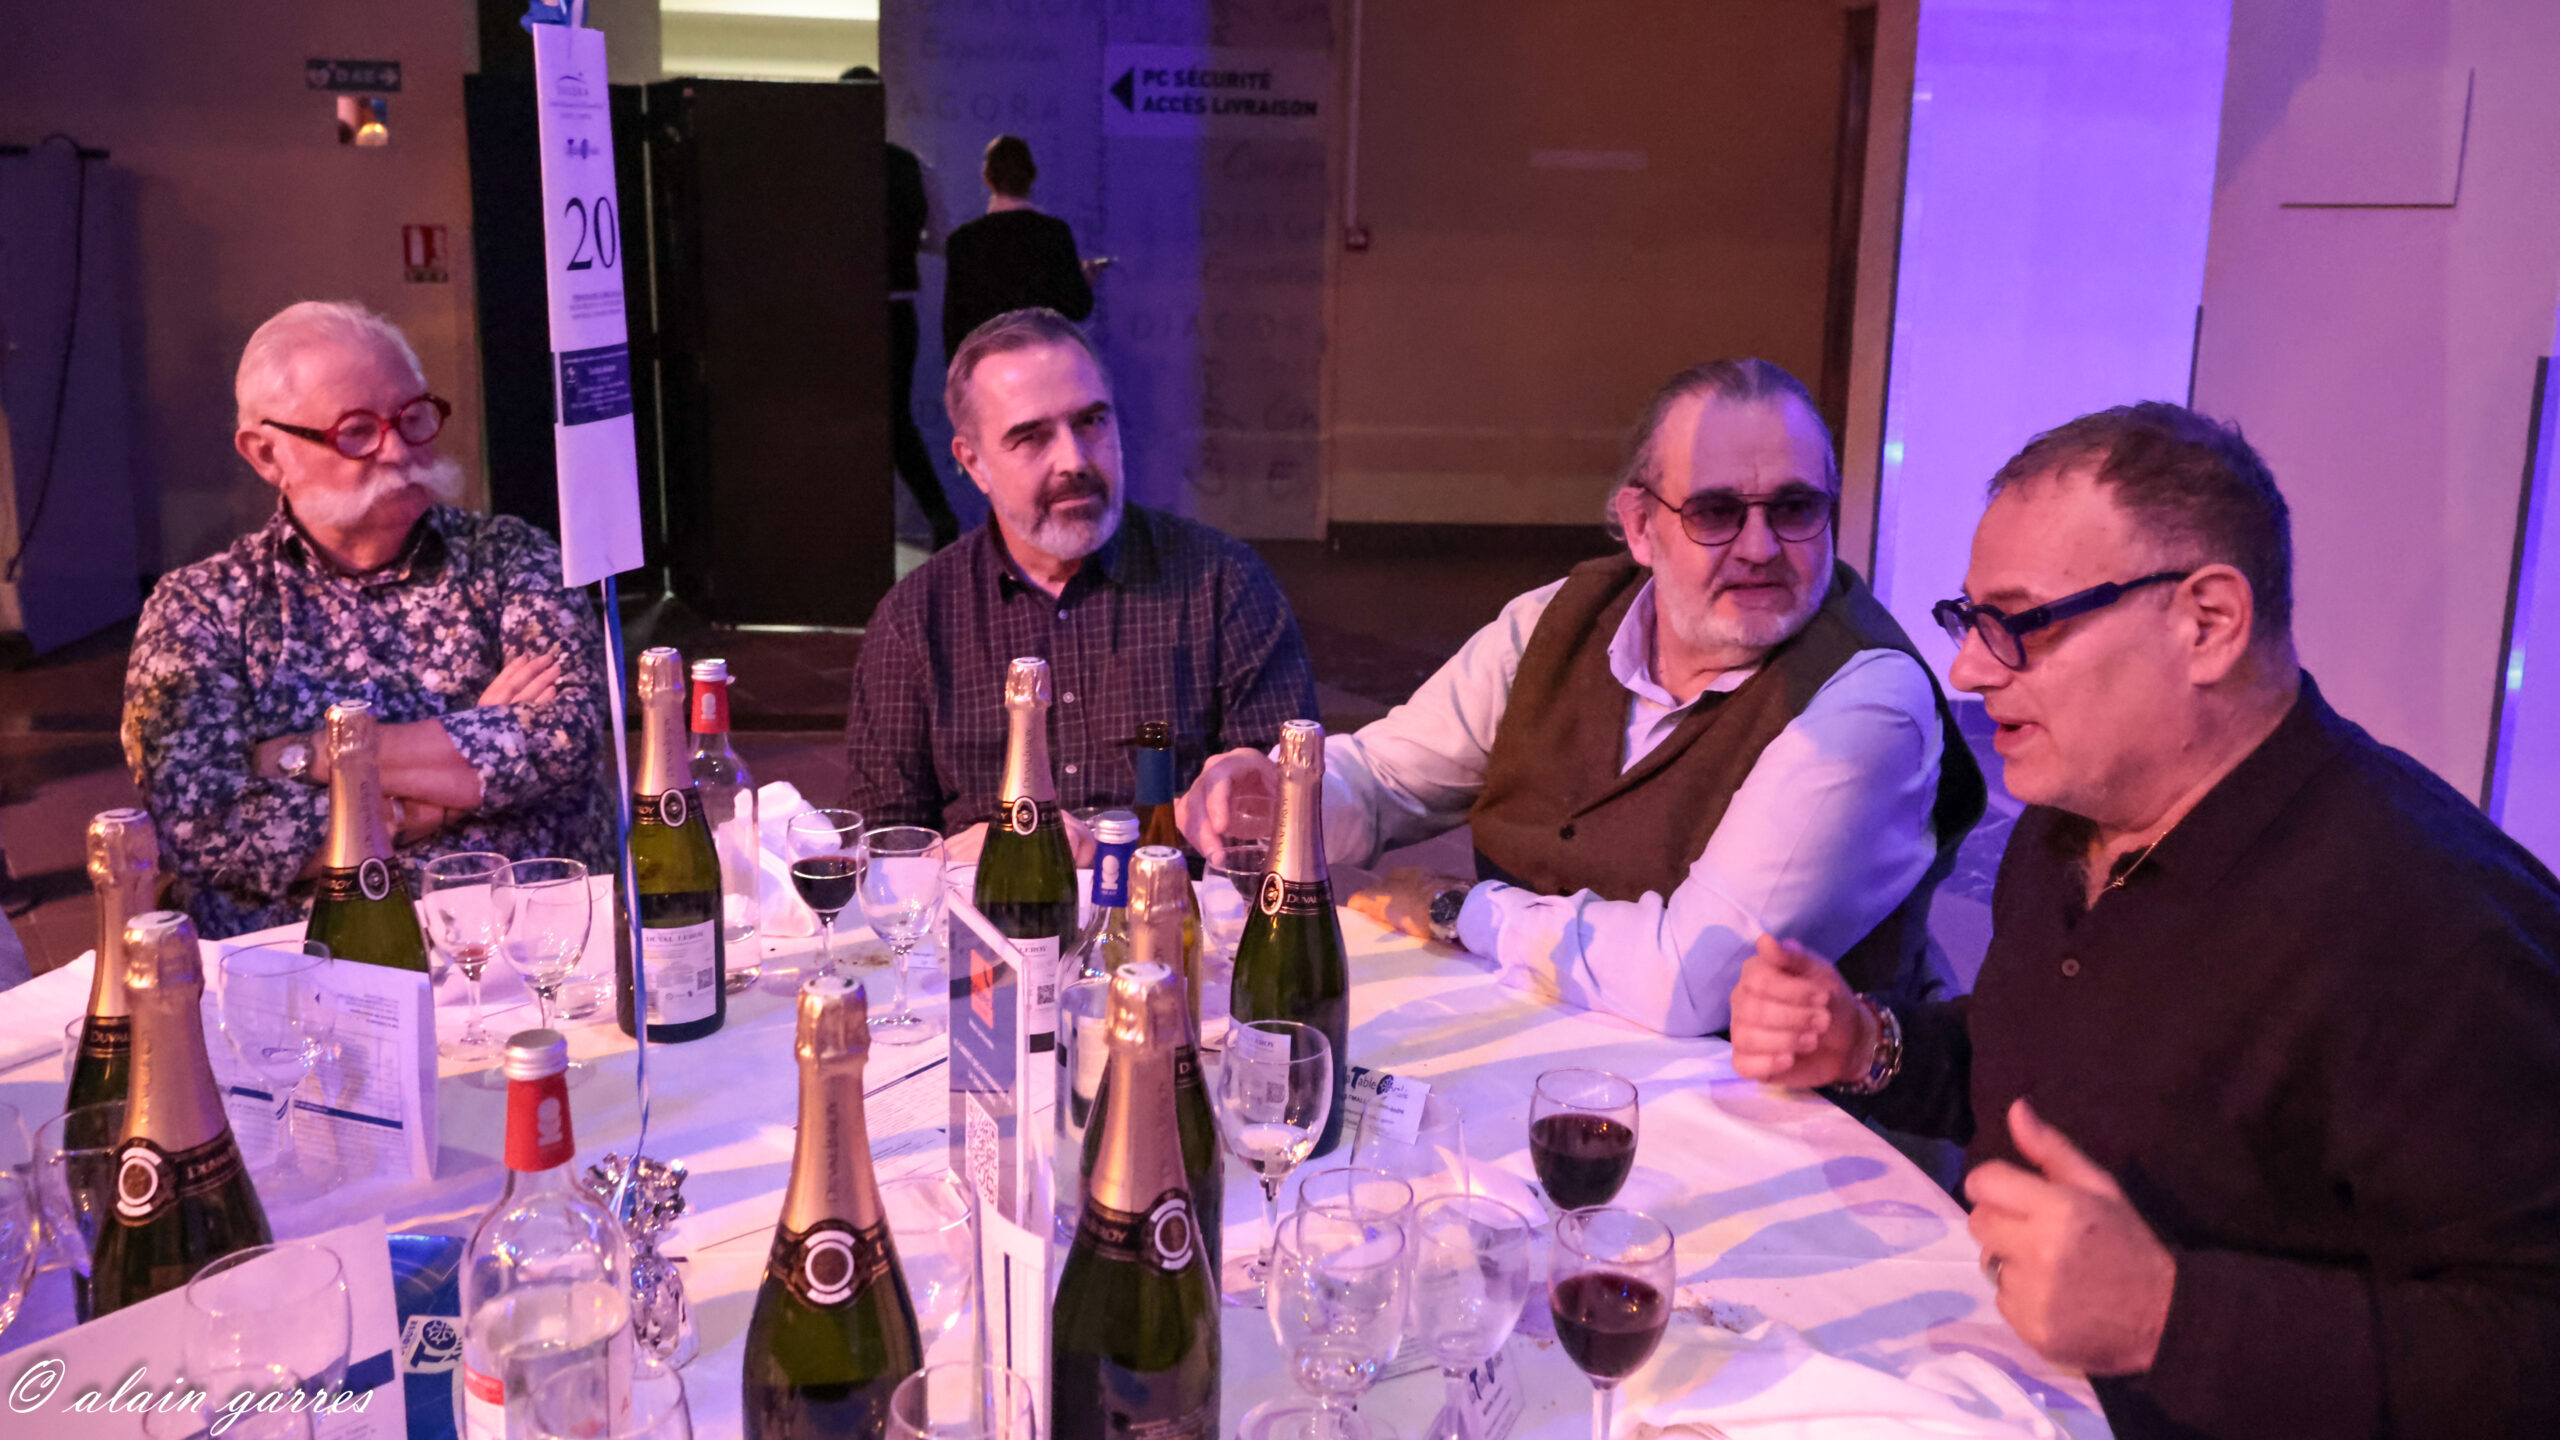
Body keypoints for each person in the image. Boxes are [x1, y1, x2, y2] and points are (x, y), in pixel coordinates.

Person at [1728, 403, 2560, 1438]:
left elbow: (2533, 1342)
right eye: (1968, 620)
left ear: (2207, 622)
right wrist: (1867, 1044)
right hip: (1996, 1383)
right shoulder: (2068, 823)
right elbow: (2048, 1068)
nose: (1969, 670)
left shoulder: (2431, 925)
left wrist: (2168, 1318)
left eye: (2020, 622)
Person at [1180, 359, 1985, 1037]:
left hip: (1784, 1125)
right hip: (1547, 1048)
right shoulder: (1555, 622)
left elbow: (1690, 982)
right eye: (1715, 512)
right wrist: (1281, 800)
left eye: (1795, 508)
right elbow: (1388, 778)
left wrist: (1459, 909)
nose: (1760, 545)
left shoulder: (1870, 701)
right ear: (1639, 526)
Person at [123, 301, 611, 939]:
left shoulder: (510, 558)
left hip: (530, 940)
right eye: (356, 431)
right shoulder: (201, 607)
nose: (398, 449)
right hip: (300, 959)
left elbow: (564, 736)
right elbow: (205, 828)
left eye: (413, 417)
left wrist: (311, 754)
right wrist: (441, 791)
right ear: (267, 454)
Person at [842, 307, 1316, 855]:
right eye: (1031, 437)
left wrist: (1257, 788)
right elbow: (879, 849)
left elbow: (1294, 813)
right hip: (990, 905)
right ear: (973, 463)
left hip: (1176, 904)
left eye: (1091, 422)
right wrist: (954, 857)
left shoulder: (1222, 583)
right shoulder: (914, 621)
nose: (1073, 459)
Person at [841, 65, 963, 550]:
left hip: (843, 311)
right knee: (896, 420)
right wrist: (904, 244)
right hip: (897, 309)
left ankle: (851, 529)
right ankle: (939, 514)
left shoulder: (825, 169)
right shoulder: (913, 165)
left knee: (844, 417)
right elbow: (941, 239)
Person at [940, 136, 1094, 362]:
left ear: (987, 178)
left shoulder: (963, 241)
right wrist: (1085, 279)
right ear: (1031, 176)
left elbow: (954, 324)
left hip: (987, 365)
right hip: (1042, 361)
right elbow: (1077, 308)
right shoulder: (1054, 233)